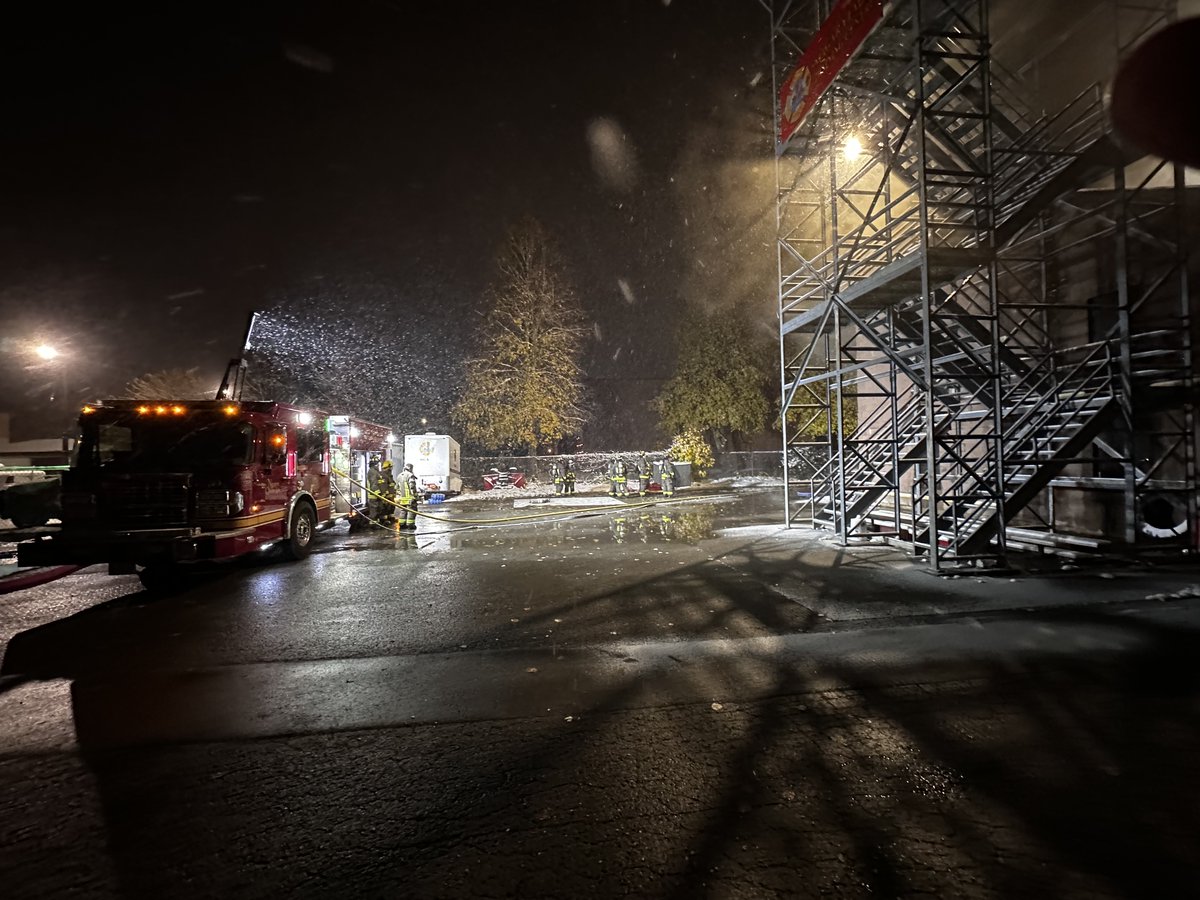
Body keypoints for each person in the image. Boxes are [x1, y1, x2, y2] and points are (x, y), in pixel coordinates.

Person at [397, 462, 419, 531]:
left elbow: (397, 488)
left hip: (402, 498)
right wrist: (415, 496)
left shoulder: (399, 476)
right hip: (410, 498)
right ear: (410, 468)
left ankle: (402, 524)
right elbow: (412, 487)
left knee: (403, 510)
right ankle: (410, 524)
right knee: (411, 510)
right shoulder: (410, 476)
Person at [378, 460, 397, 528]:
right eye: (391, 467)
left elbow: (392, 483)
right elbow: (383, 486)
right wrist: (385, 495)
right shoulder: (383, 475)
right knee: (385, 508)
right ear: (388, 467)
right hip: (386, 496)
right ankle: (384, 520)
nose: (392, 468)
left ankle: (390, 518)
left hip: (390, 496)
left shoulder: (389, 475)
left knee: (391, 507)